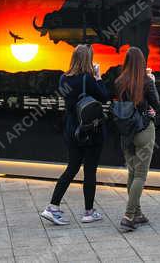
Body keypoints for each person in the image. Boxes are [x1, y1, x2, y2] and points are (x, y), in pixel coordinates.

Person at [40, 45, 109, 226]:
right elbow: (104, 96)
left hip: (72, 129)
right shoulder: (89, 78)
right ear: (88, 59)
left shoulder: (63, 78)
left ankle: (52, 207)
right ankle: (88, 212)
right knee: (90, 170)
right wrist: (99, 77)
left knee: (71, 168)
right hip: (91, 130)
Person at [117, 47, 160, 231]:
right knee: (140, 175)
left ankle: (138, 213)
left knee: (132, 173)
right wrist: (153, 82)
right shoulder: (146, 81)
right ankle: (128, 215)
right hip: (143, 129)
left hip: (125, 132)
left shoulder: (119, 81)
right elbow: (156, 103)